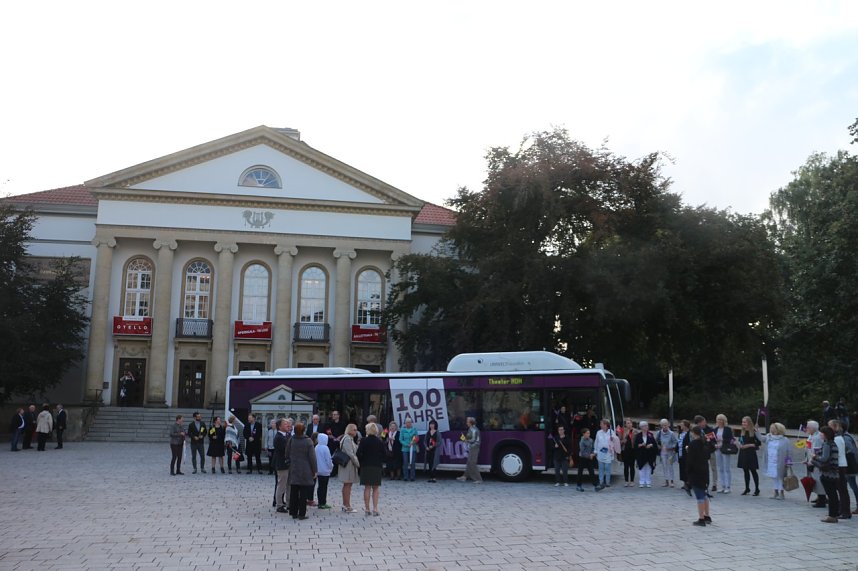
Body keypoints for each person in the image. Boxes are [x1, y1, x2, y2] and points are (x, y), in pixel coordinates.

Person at [285, 422, 317, 520]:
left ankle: (293, 512)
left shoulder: (291, 440)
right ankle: (302, 513)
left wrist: (289, 462)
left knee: (294, 491)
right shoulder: (308, 441)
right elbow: (312, 458)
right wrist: (314, 470)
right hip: (305, 469)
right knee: (303, 493)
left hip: (294, 468)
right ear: (304, 430)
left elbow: (287, 453)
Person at [812, 426, 840, 523]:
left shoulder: (827, 444)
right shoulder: (833, 443)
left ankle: (832, 515)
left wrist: (815, 457)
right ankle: (835, 514)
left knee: (831, 495)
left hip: (828, 473)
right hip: (834, 473)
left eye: (821, 433)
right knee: (833, 495)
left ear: (825, 435)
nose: (820, 434)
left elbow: (824, 458)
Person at [357, 422, 386, 516]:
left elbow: (358, 453)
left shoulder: (363, 440)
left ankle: (367, 508)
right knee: (376, 487)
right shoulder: (379, 441)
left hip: (365, 466)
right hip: (376, 466)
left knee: (367, 487)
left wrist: (362, 461)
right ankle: (375, 508)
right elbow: (384, 454)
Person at [686, 426, 712, 526]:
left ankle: (701, 518)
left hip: (696, 472)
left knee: (699, 496)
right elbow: (708, 455)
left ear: (693, 433)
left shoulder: (693, 444)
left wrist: (688, 472)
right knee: (704, 494)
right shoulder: (705, 442)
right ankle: (707, 515)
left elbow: (690, 461)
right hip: (704, 470)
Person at [828, 419, 852, 519]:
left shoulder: (837, 438)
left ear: (834, 427)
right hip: (841, 465)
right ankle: (842, 510)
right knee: (841, 489)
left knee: (842, 489)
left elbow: (837, 453)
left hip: (840, 465)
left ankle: (845, 511)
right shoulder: (838, 437)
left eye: (829, 426)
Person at [764, 422, 792, 500]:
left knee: (780, 477)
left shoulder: (785, 440)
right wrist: (756, 431)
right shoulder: (769, 438)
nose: (772, 430)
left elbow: (789, 451)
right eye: (771, 429)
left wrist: (788, 462)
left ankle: (781, 493)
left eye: (774, 429)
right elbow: (761, 438)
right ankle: (775, 492)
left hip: (780, 461)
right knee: (774, 477)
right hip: (771, 460)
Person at [737, 416, 761, 496]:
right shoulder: (742, 431)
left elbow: (758, 443)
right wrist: (739, 444)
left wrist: (750, 445)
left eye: (745, 422)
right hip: (743, 453)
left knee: (753, 471)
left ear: (749, 423)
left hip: (750, 453)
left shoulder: (753, 431)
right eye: (742, 422)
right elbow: (740, 440)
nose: (743, 423)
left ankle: (757, 489)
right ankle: (747, 488)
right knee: (745, 471)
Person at [338, 423, 360, 513]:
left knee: (348, 485)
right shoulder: (347, 439)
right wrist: (358, 464)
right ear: (349, 430)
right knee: (347, 485)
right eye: (354, 429)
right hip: (348, 465)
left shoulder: (350, 439)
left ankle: (346, 504)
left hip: (349, 465)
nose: (356, 431)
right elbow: (350, 453)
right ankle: (347, 505)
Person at [805, 421, 828, 508]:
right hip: (810, 459)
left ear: (812, 428)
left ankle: (822, 499)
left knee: (818, 480)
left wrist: (811, 461)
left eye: (808, 427)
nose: (806, 429)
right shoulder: (811, 435)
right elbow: (808, 448)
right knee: (814, 480)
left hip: (815, 462)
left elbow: (816, 451)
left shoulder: (817, 438)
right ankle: (819, 496)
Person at [695, 415, 718, 491]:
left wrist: (712, 443)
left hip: (710, 450)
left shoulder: (710, 429)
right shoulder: (696, 430)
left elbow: (713, 440)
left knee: (713, 467)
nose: (704, 423)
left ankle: (714, 484)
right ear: (698, 423)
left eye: (704, 422)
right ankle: (702, 482)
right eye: (703, 422)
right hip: (701, 452)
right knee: (702, 468)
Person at [274, 418, 292, 513]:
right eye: (285, 424)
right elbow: (285, 450)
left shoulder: (286, 435)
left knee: (289, 485)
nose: (287, 426)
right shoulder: (279, 437)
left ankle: (289, 503)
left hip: (288, 464)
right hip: (282, 464)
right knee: (281, 485)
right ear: (280, 426)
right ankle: (279, 505)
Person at [457, 417, 482, 483]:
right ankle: (464, 476)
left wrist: (465, 440)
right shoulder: (471, 429)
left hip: (474, 447)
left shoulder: (473, 430)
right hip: (472, 447)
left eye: (467, 422)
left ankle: (478, 479)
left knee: (472, 463)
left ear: (471, 423)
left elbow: (473, 440)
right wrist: (465, 439)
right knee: (469, 462)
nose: (466, 423)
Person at [593, 419, 617, 490]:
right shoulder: (598, 432)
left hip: (608, 452)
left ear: (606, 425)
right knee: (601, 468)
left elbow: (615, 441)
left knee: (607, 467)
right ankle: (601, 482)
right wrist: (595, 451)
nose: (600, 425)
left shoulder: (611, 432)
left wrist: (613, 439)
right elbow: (596, 442)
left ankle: (607, 482)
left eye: (601, 424)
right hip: (600, 452)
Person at [714, 414, 735, 493]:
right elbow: (712, 439)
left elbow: (730, 439)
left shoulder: (728, 429)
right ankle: (722, 485)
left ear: (724, 421)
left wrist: (722, 440)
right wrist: (714, 444)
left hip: (725, 449)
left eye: (721, 419)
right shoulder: (715, 429)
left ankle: (728, 486)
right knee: (721, 468)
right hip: (717, 449)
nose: (719, 421)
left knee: (727, 468)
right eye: (718, 419)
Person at [635, 421, 657, 488]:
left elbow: (654, 444)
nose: (646, 427)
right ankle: (641, 482)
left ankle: (648, 481)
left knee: (649, 468)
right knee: (641, 468)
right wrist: (641, 445)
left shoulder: (650, 434)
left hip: (649, 454)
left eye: (647, 426)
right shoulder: (638, 435)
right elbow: (636, 445)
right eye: (645, 426)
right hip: (641, 454)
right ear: (641, 427)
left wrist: (651, 445)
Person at [656, 419, 678, 488]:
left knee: (670, 466)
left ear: (668, 424)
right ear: (661, 426)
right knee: (664, 466)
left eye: (665, 425)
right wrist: (659, 446)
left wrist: (670, 447)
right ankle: (666, 481)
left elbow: (675, 443)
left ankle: (672, 481)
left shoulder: (671, 433)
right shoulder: (659, 433)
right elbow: (656, 441)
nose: (664, 426)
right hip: (663, 452)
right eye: (663, 425)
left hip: (670, 452)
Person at [315, 433, 333, 509]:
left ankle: (320, 502)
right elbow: (328, 460)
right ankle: (323, 502)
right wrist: (331, 467)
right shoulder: (325, 448)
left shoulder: (316, 447)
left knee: (320, 487)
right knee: (324, 487)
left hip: (318, 470)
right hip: (325, 471)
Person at [399, 416, 418, 482]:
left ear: (411, 423)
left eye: (409, 422)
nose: (408, 424)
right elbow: (400, 439)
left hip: (413, 448)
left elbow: (416, 438)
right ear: (405, 423)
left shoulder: (414, 429)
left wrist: (413, 442)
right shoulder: (402, 430)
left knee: (412, 463)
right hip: (405, 449)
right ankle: (405, 476)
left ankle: (412, 476)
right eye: (407, 422)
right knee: (405, 463)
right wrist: (407, 444)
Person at [620, 419, 637, 487]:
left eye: (629, 423)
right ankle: (626, 481)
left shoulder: (635, 431)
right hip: (625, 450)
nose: (628, 424)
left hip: (632, 450)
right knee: (626, 466)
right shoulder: (623, 431)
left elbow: (637, 440)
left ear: (632, 424)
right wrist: (622, 441)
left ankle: (632, 481)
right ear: (625, 424)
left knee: (632, 466)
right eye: (627, 423)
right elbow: (620, 441)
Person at [677, 420, 692, 493]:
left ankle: (689, 483)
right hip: (680, 453)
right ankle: (684, 482)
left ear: (685, 426)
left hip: (686, 454)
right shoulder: (680, 433)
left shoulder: (689, 434)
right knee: (682, 468)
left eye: (682, 425)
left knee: (687, 469)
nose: (680, 426)